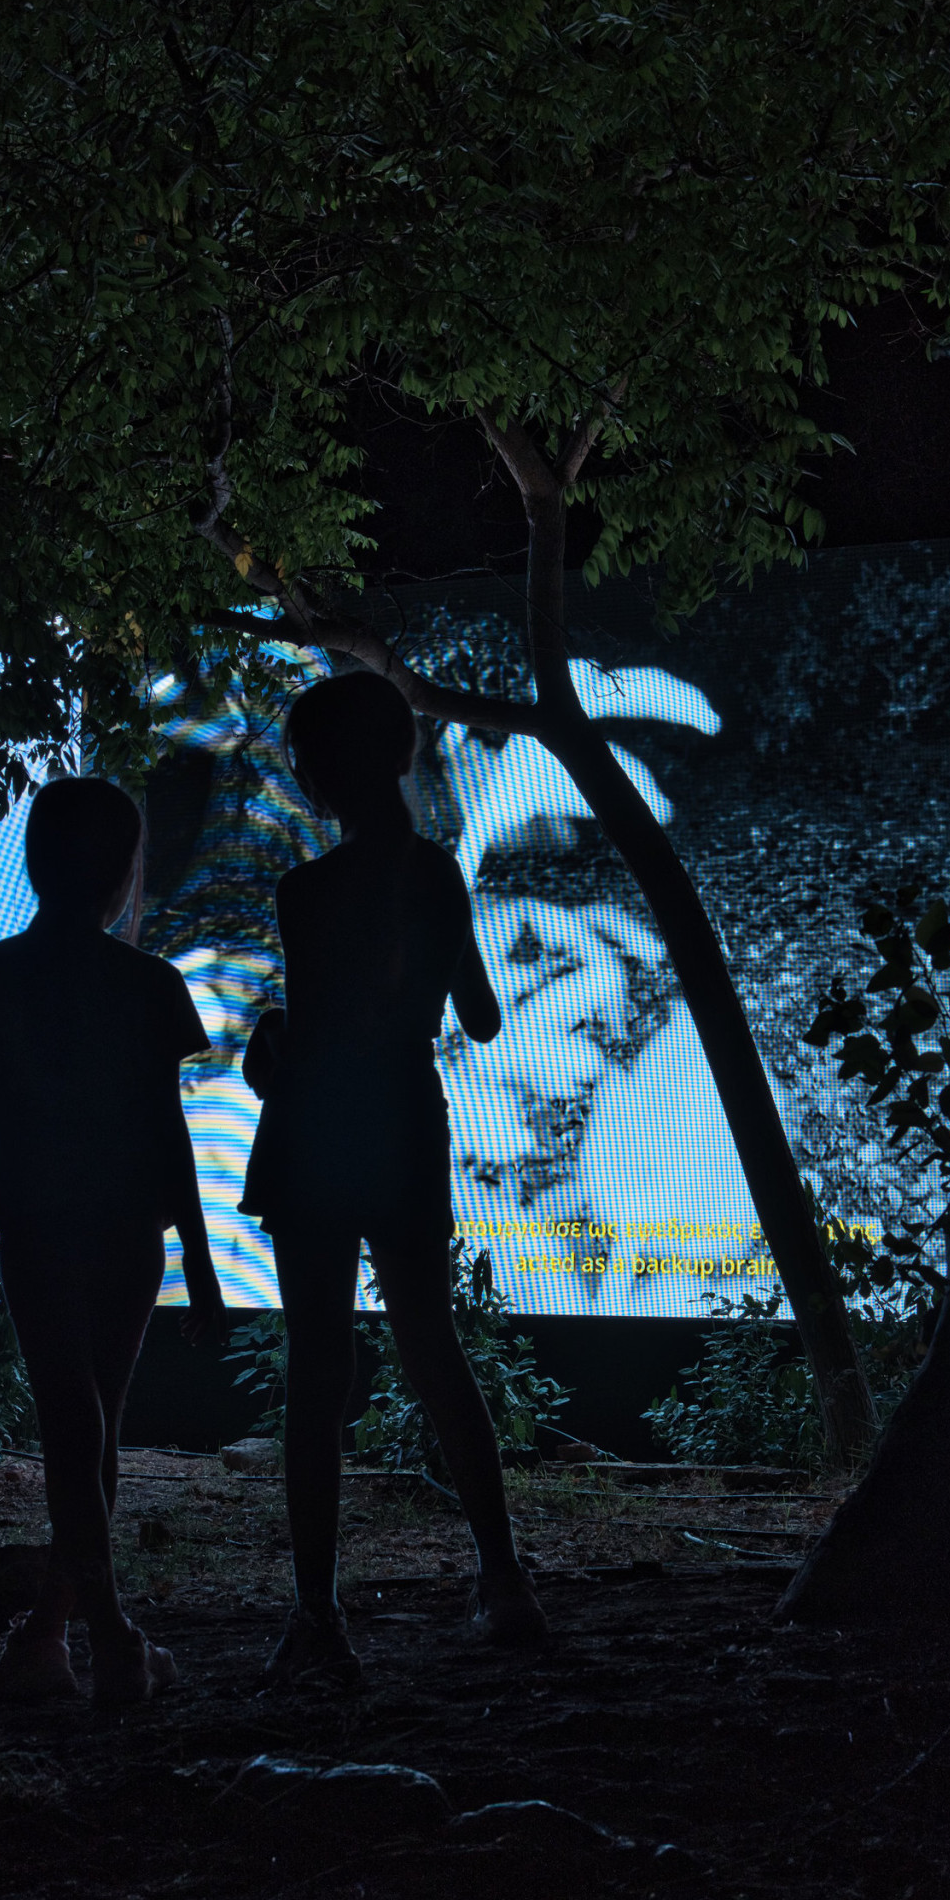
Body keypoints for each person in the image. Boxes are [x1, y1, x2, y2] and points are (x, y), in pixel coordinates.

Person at [240, 671, 550, 1687]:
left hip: (317, 1132)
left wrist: (272, 1037)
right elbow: (482, 1020)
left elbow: (315, 1032)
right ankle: (502, 1576)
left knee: (316, 1370)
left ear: (319, 775)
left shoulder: (304, 892)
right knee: (432, 1346)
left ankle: (318, 1611)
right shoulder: (437, 875)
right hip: (405, 1122)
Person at [0, 776, 227, 1708]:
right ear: (122, 871)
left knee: (74, 1419)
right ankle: (90, 1637)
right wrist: (202, 1261)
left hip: (35, 1217)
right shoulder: (148, 984)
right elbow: (168, 1130)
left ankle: (81, 1639)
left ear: (34, 862)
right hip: (126, 1225)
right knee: (92, 1422)